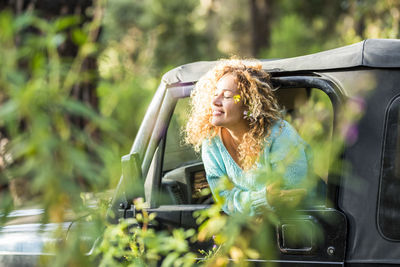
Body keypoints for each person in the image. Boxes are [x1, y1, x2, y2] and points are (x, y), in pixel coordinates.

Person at [185, 59, 311, 215]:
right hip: (254, 229)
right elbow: (225, 200)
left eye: (227, 96)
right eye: (215, 94)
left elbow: (292, 198)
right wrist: (264, 198)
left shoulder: (280, 134)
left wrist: (249, 202)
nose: (215, 101)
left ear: (248, 105)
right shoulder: (211, 142)